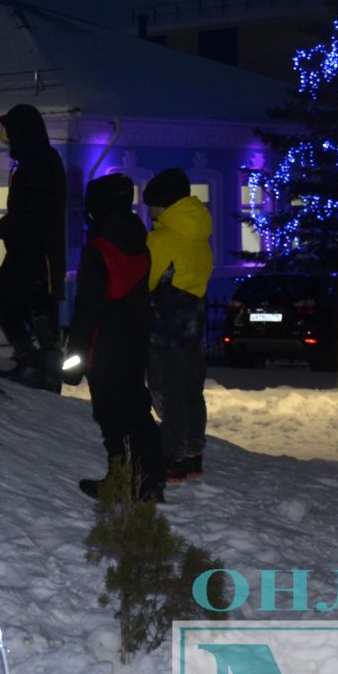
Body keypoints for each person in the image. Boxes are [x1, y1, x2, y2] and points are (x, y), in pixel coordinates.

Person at [63, 174, 165, 504]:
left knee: (112, 418)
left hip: (103, 347)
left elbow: (88, 309)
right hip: (134, 342)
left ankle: (122, 482)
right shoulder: (139, 239)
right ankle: (150, 481)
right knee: (136, 411)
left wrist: (73, 359)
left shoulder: (99, 248)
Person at [0, 103, 67, 391]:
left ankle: (37, 365)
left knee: (15, 302)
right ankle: (41, 366)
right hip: (29, 248)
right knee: (29, 304)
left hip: (35, 250)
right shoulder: (37, 161)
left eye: (10, 131)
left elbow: (32, 213)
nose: (6, 138)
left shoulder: (39, 164)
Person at [142, 168, 211, 483]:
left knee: (167, 391)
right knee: (190, 390)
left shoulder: (162, 238)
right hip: (192, 325)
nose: (148, 211)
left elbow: (146, 280)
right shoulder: (200, 236)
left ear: (163, 204)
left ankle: (172, 459)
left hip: (164, 325)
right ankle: (193, 455)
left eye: (151, 204)